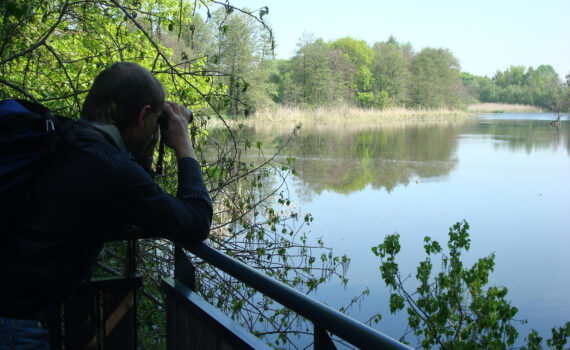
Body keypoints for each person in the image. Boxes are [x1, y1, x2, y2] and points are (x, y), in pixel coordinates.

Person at [0, 62, 213, 348]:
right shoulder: (107, 167)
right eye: (155, 121)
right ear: (143, 116)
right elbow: (195, 222)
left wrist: (146, 154)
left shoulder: (69, 140)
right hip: (16, 328)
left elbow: (130, 216)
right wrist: (184, 145)